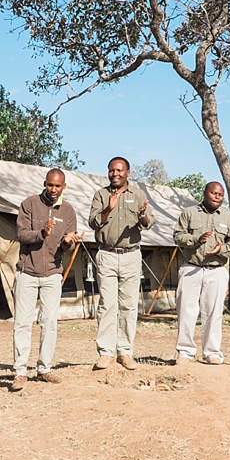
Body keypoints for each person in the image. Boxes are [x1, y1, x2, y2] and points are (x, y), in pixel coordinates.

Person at [11, 169, 83, 391]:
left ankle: (44, 369)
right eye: (50, 185)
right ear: (45, 184)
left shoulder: (69, 211)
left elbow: (67, 247)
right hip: (27, 272)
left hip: (52, 274)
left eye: (58, 186)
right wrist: (42, 233)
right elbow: (21, 234)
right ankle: (20, 372)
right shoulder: (30, 204)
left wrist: (69, 241)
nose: (53, 190)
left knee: (50, 322)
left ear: (64, 187)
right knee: (23, 323)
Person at [88, 157, 154, 371]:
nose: (114, 174)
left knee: (128, 305)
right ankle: (105, 353)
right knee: (107, 305)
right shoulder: (100, 195)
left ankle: (125, 352)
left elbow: (148, 223)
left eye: (118, 170)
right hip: (106, 254)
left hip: (131, 255)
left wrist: (142, 215)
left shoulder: (138, 195)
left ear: (128, 172)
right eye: (110, 170)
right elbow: (93, 222)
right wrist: (108, 208)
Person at [172, 181, 230, 365]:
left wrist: (221, 249)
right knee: (186, 311)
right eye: (213, 193)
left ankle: (212, 352)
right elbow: (177, 236)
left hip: (216, 271)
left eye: (220, 194)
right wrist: (196, 239)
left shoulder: (229, 218)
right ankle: (185, 352)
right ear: (205, 193)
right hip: (191, 269)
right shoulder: (189, 213)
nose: (217, 197)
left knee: (213, 312)